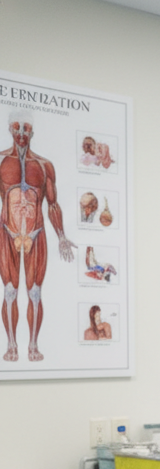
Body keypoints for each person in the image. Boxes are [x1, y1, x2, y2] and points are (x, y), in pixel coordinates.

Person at [1, 111, 75, 363]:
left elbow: (53, 204)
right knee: (9, 291)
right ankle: (11, 345)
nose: (21, 135)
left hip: (37, 232)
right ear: (11, 130)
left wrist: (62, 236)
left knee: (34, 293)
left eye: (26, 130)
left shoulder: (44, 166)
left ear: (32, 133)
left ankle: (32, 346)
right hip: (7, 233)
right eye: (17, 129)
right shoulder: (0, 162)